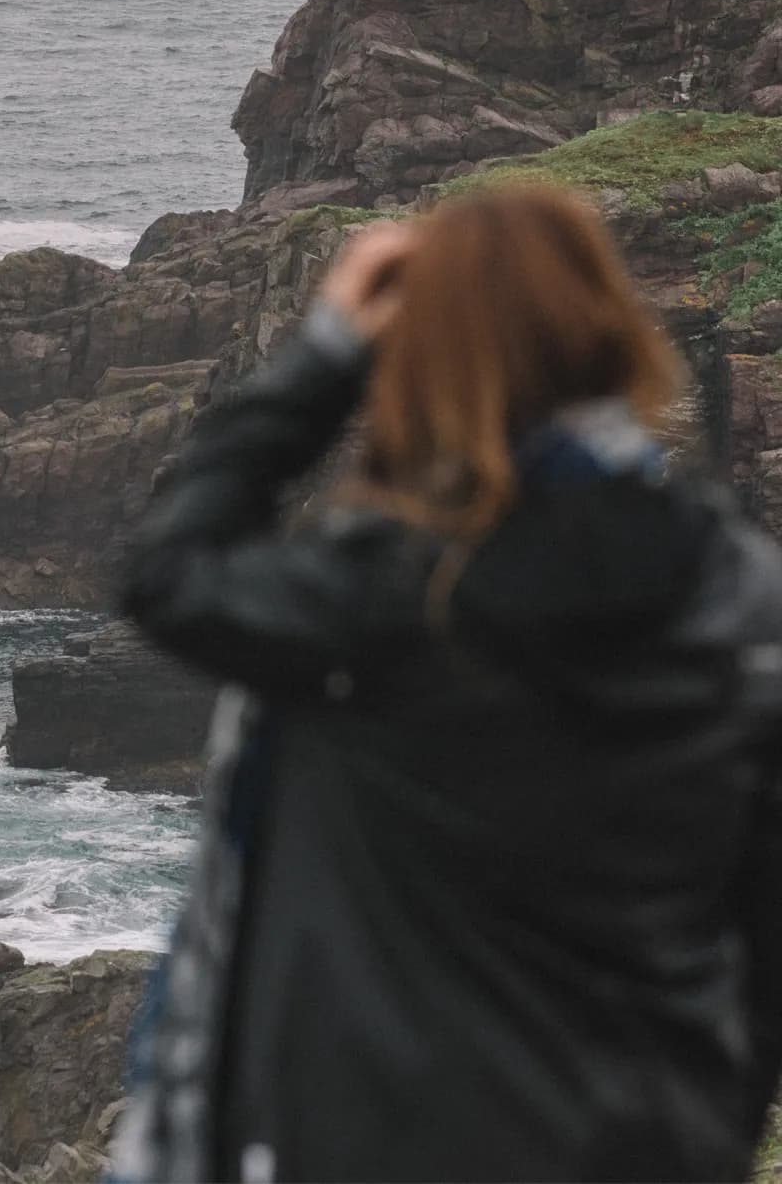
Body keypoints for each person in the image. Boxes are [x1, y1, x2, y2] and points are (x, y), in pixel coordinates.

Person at [111, 184, 782, 1184]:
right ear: (607, 331)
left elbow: (166, 571)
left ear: (415, 359)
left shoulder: (388, 599)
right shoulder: (737, 598)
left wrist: (324, 358)